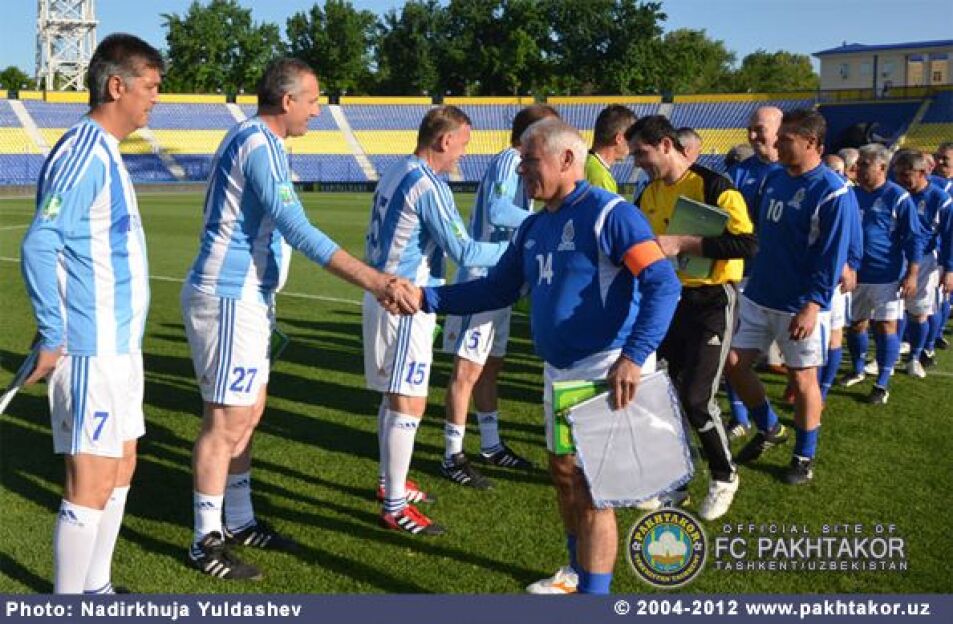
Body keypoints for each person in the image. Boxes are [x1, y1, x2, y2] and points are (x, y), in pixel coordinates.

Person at [414, 118, 680, 594]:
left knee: (595, 492)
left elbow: (662, 284)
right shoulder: (535, 226)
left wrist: (634, 356)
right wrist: (425, 298)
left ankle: (594, 596)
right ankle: (577, 572)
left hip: (605, 369)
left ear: (566, 159)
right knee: (563, 475)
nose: (521, 171)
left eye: (530, 161)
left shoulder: (611, 215)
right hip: (559, 371)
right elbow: (496, 289)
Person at [182, 58, 418, 580]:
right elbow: (297, 228)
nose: (317, 110)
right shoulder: (258, 143)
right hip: (228, 296)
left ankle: (239, 519)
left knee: (248, 414)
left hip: (249, 297)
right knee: (225, 422)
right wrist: (376, 281)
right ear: (287, 100)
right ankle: (205, 539)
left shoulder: (261, 142)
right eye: (312, 100)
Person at [19, 34, 163, 594]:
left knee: (121, 465)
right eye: (150, 87)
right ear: (117, 86)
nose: (156, 98)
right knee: (91, 478)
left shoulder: (105, 151)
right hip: (89, 347)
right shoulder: (83, 151)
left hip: (120, 348)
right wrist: (53, 333)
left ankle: (96, 589)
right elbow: (40, 243)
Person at [364, 105, 508, 534]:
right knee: (409, 402)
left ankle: (390, 484)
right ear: (445, 140)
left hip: (382, 292)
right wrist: (519, 251)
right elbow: (464, 250)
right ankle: (394, 506)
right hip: (407, 301)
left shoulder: (397, 170)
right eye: (462, 144)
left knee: (394, 397)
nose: (463, 153)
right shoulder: (429, 184)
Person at [628, 115, 756, 520]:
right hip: (668, 301)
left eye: (642, 153)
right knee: (665, 398)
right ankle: (676, 482)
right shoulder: (648, 193)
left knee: (696, 398)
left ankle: (724, 476)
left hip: (711, 301)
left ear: (666, 145)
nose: (637, 162)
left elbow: (746, 244)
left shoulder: (715, 186)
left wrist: (684, 242)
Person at [727, 109, 854, 485]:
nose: (777, 145)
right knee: (734, 365)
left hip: (799, 303)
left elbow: (831, 257)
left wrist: (812, 306)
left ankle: (804, 456)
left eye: (786, 139)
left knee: (802, 380)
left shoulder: (832, 191)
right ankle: (769, 427)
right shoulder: (775, 178)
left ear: (812, 143)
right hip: (760, 293)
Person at [440, 104, 559, 489]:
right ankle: (452, 455)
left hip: (501, 278)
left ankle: (491, 445)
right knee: (467, 371)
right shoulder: (511, 158)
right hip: (482, 279)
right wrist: (545, 220)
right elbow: (497, 210)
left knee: (490, 366)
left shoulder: (520, 162)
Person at [840, 144, 922, 405]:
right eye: (858, 163)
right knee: (856, 324)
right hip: (855, 273)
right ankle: (858, 369)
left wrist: (912, 274)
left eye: (865, 164)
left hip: (887, 275)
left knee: (886, 325)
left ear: (882, 167)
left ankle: (882, 383)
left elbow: (914, 239)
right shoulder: (850, 194)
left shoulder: (898, 197)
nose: (858, 168)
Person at [893, 150, 952, 374]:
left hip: (926, 261)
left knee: (919, 312)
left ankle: (915, 357)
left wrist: (949, 269)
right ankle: (890, 355)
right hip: (895, 257)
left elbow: (950, 236)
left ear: (922, 173)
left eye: (906, 175)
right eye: (898, 174)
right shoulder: (896, 193)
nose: (901, 180)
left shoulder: (940, 199)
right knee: (893, 311)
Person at [584, 104, 637, 193]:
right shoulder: (600, 177)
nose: (633, 144)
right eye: (631, 138)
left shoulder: (585, 162)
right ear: (619, 139)